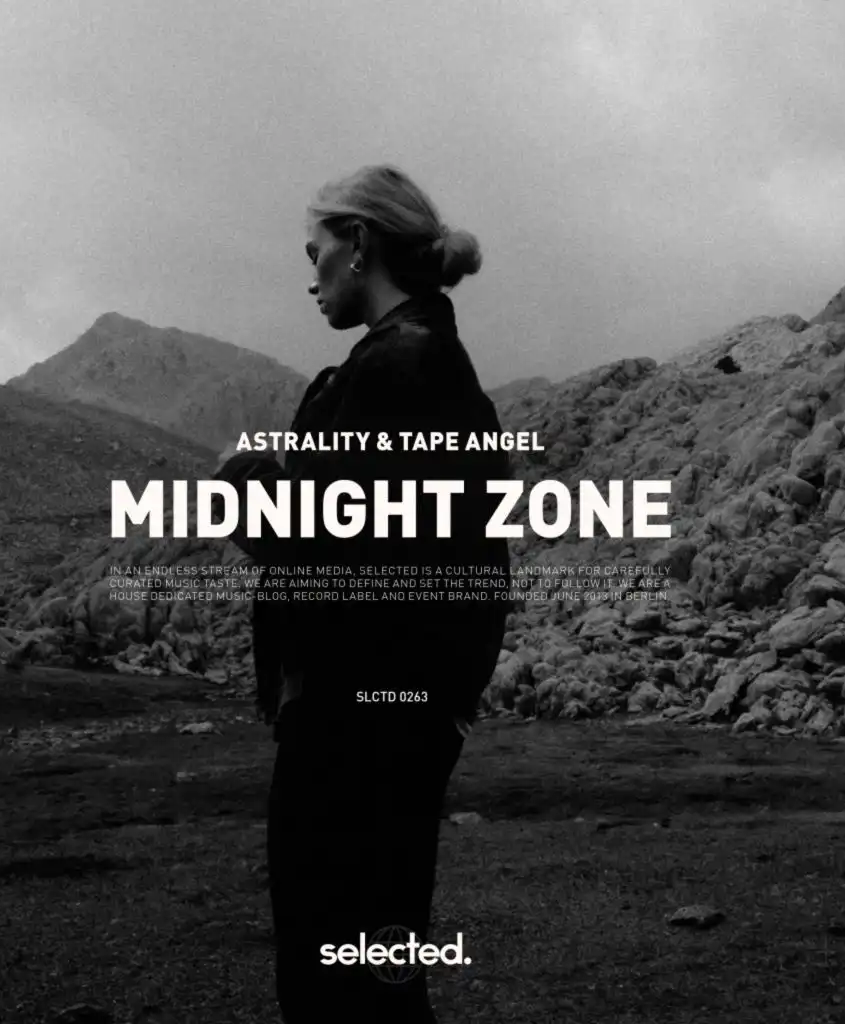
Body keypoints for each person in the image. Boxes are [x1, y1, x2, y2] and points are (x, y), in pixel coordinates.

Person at [214, 163, 511, 1023]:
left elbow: (326, 546)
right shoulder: (426, 363)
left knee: (336, 979)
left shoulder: (397, 367)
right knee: (376, 966)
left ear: (358, 243)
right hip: (392, 713)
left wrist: (244, 485)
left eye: (315, 251)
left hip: (357, 720)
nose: (309, 276)